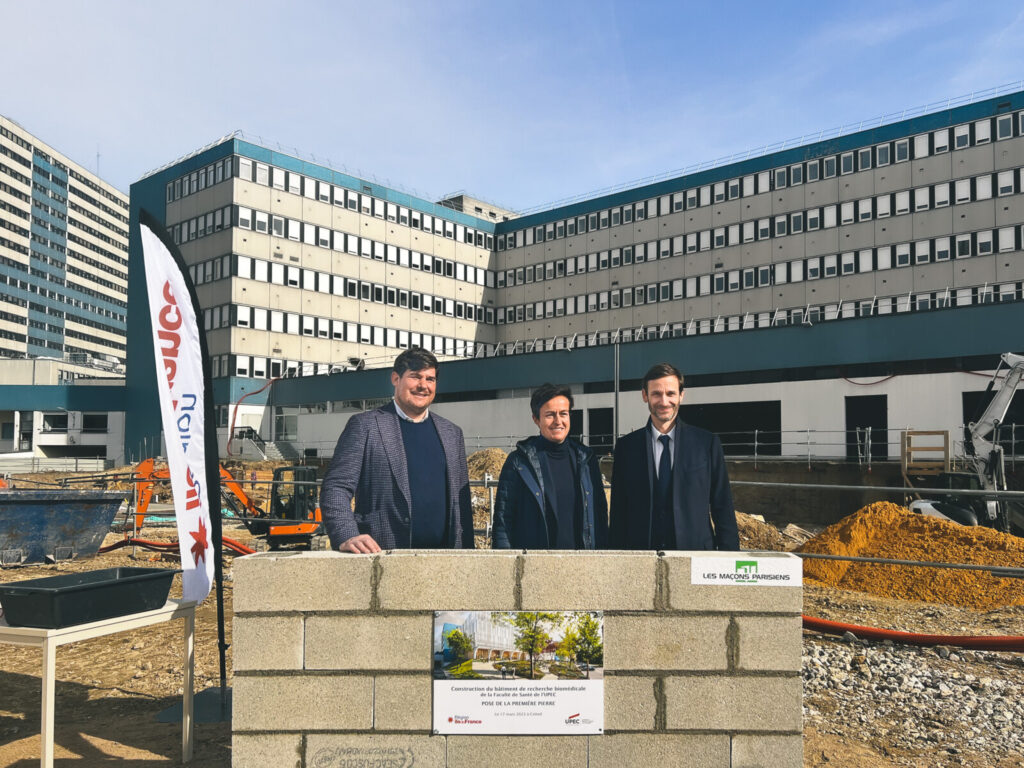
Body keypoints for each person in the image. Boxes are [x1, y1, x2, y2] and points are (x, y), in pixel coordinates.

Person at [321, 347, 474, 552]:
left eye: (430, 379)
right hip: (382, 555)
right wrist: (347, 534)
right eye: (415, 376)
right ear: (395, 378)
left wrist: (469, 553)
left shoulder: (452, 433)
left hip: (444, 559)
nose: (423, 385)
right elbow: (336, 487)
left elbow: (461, 503)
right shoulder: (365, 426)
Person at [609, 363, 738, 551]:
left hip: (695, 555)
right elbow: (618, 513)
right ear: (645, 395)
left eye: (670, 393)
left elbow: (722, 506)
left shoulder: (706, 444)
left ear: (681, 395)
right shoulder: (626, 448)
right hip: (641, 556)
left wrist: (730, 558)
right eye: (656, 394)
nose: (664, 401)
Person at [492, 383, 608, 549]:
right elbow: (503, 520)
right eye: (550, 415)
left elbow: (600, 515)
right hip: (534, 560)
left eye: (563, 414)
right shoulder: (519, 463)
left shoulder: (586, 460)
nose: (558, 421)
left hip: (581, 561)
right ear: (536, 419)